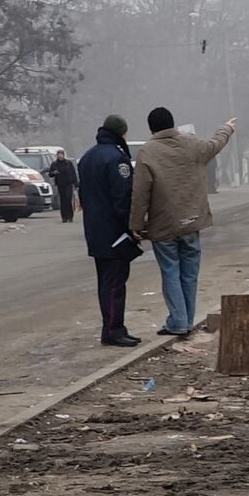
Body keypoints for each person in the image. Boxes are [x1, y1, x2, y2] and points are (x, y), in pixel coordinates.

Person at [131, 107, 236, 337]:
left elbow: (141, 193)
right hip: (191, 222)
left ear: (151, 128)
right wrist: (226, 128)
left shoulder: (147, 152)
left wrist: (136, 224)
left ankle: (178, 321)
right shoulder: (192, 144)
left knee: (170, 271)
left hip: (164, 224)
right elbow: (215, 144)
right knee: (189, 273)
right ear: (173, 124)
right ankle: (186, 319)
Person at [78, 114, 141, 348]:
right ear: (121, 133)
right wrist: (133, 227)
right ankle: (114, 330)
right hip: (114, 233)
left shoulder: (87, 157)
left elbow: (84, 195)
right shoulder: (117, 159)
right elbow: (122, 198)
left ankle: (112, 327)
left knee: (105, 283)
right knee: (115, 284)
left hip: (94, 230)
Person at [47, 149, 79, 223]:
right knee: (63, 200)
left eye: (61, 154)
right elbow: (50, 174)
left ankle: (70, 216)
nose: (60, 156)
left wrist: (76, 184)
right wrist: (54, 172)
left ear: (63, 155)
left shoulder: (68, 163)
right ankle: (64, 217)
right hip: (60, 184)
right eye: (59, 154)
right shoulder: (54, 164)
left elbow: (73, 173)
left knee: (68, 199)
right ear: (57, 156)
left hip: (68, 183)